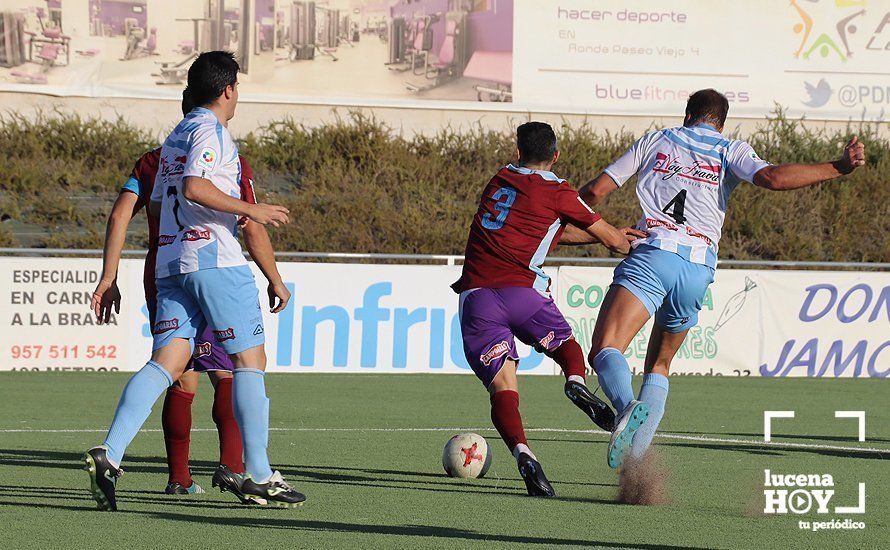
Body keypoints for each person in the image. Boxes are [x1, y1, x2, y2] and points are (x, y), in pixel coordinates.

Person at [578, 88, 866, 469]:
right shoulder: (730, 150)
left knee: (605, 348)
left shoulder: (655, 140)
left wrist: (561, 218)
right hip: (698, 269)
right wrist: (838, 167)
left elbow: (594, 193)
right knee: (659, 365)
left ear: (687, 116)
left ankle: (627, 408)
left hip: (654, 254)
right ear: (722, 122)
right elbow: (774, 178)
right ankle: (635, 469)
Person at [83, 51, 304, 511]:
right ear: (227, 90)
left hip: (171, 262)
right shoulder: (210, 131)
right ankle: (259, 475)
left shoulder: (174, 136)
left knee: (167, 362)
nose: (238, 95)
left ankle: (110, 452)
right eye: (237, 87)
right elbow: (194, 187)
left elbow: (160, 200)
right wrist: (251, 209)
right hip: (214, 260)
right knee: (248, 360)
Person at [452, 121, 643, 497]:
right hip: (524, 293)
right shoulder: (559, 191)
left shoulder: (499, 178)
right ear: (555, 155)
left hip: (477, 297)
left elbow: (553, 230)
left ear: (517, 151)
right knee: (568, 348)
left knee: (502, 388)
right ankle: (574, 383)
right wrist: (621, 238)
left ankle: (524, 453)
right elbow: (613, 242)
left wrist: (603, 234)